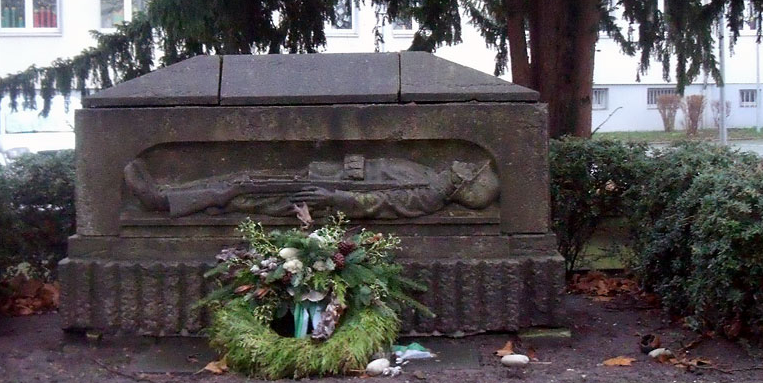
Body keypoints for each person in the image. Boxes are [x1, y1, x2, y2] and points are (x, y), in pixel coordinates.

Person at [123, 153, 499, 219]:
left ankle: (163, 201)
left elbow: (378, 203)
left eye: (469, 170)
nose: (464, 163)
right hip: (322, 177)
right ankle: (172, 192)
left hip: (319, 197)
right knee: (243, 178)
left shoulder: (430, 195)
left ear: (464, 185)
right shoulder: (431, 176)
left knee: (240, 192)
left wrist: (332, 197)